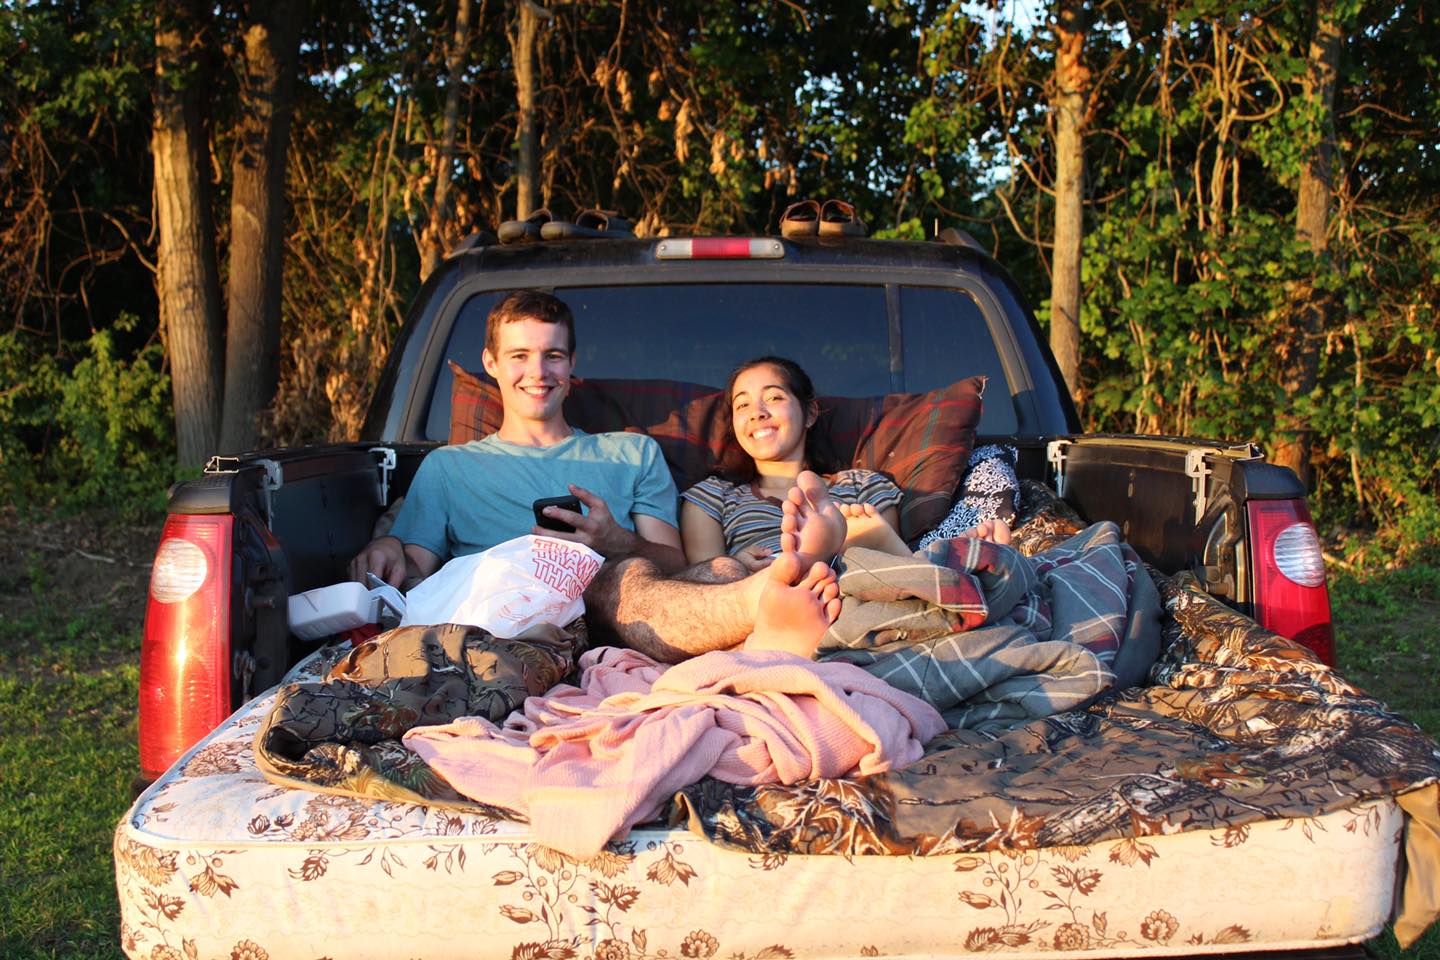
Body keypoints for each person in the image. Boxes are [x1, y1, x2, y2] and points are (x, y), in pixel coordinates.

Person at [349, 290, 846, 663]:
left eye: (553, 355)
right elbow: (414, 571)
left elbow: (673, 560)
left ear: (571, 365)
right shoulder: (448, 467)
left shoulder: (631, 453)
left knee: (718, 570)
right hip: (504, 618)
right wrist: (389, 547)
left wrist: (614, 539)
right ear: (491, 364)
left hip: (612, 609)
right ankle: (768, 607)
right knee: (627, 575)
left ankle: (764, 612)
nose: (537, 371)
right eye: (519, 356)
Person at [680, 356, 906, 570]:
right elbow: (706, 587)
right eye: (742, 405)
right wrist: (736, 566)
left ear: (809, 413)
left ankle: (826, 559)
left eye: (774, 398)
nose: (756, 413)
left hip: (853, 593)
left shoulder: (864, 484)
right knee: (727, 573)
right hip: (759, 593)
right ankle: (816, 560)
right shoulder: (712, 496)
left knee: (880, 570)